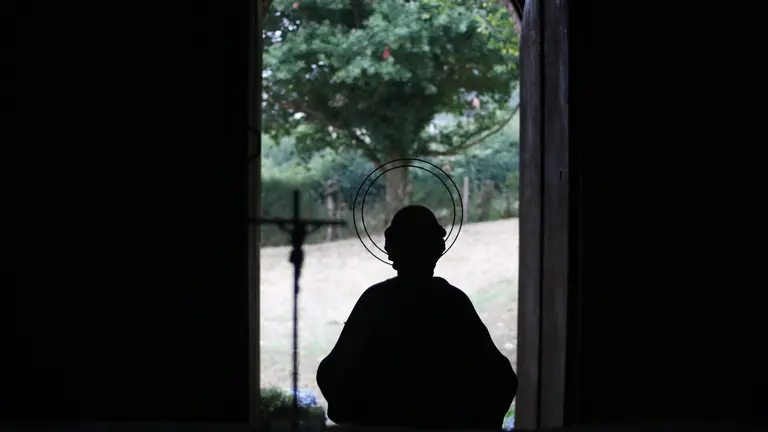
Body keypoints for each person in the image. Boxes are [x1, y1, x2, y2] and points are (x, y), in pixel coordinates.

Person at [316, 205, 518, 429]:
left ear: (392, 250)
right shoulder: (452, 301)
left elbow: (333, 373)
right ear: (437, 249)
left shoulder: (376, 300)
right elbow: (500, 379)